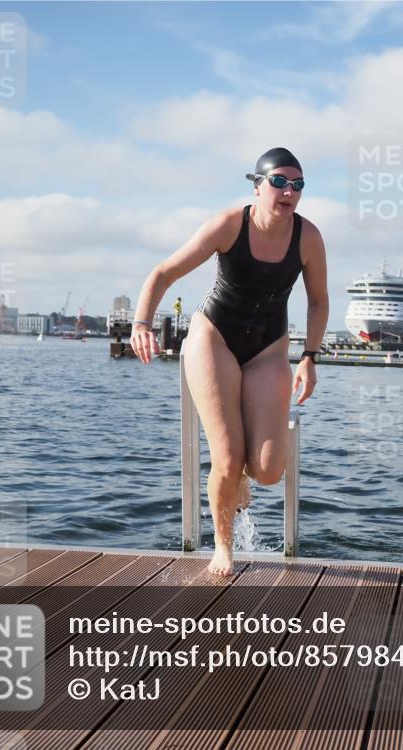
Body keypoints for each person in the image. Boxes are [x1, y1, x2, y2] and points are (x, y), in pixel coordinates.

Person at [131, 147, 329, 575]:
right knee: (226, 456)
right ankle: (223, 546)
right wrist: (142, 322)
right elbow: (163, 272)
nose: (288, 191)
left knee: (268, 470)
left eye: (297, 185)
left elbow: (319, 300)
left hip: (268, 348)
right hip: (214, 337)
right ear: (257, 187)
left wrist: (310, 356)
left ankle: (240, 477)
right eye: (278, 181)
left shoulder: (308, 237)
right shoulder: (228, 225)